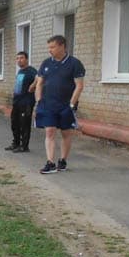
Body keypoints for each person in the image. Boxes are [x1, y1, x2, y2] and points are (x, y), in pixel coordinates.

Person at [34, 35, 85, 174]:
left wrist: (71, 105)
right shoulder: (46, 63)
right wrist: (39, 100)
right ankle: (50, 163)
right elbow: (39, 83)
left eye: (52, 47)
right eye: (48, 47)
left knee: (66, 133)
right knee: (49, 132)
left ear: (62, 46)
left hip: (65, 106)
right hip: (48, 104)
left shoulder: (75, 63)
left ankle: (62, 161)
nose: (49, 50)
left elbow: (79, 85)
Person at [5, 51, 37, 153]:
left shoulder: (31, 70)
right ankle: (16, 143)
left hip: (26, 102)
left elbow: (40, 78)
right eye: (17, 58)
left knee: (24, 124)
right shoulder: (20, 71)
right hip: (17, 102)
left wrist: (33, 85)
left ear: (26, 59)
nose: (19, 60)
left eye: (21, 58)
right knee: (15, 123)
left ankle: (24, 146)